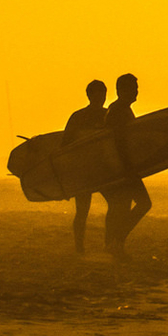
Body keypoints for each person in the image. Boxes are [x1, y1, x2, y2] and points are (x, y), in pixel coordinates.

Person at [99, 72, 152, 258]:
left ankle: (114, 245)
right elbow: (118, 142)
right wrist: (127, 169)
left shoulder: (121, 109)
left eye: (137, 88)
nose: (137, 92)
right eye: (133, 88)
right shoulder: (118, 111)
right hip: (122, 168)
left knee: (119, 207)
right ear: (122, 90)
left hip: (123, 167)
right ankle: (115, 242)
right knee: (141, 204)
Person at [61, 80, 108, 254]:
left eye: (103, 94)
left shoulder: (108, 115)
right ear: (89, 96)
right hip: (83, 171)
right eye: (97, 94)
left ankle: (110, 243)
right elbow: (65, 146)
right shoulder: (78, 117)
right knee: (82, 211)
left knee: (116, 204)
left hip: (104, 169)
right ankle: (79, 247)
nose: (101, 98)